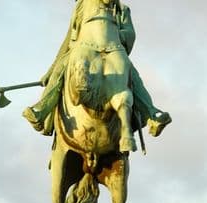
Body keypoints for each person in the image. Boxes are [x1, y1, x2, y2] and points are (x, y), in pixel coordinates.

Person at [22, 0, 170, 138]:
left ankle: (151, 115)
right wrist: (50, 70)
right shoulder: (81, 6)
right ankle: (41, 111)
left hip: (113, 50)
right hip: (80, 50)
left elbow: (130, 35)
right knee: (59, 70)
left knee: (133, 75)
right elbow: (68, 41)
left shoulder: (122, 9)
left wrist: (109, 32)